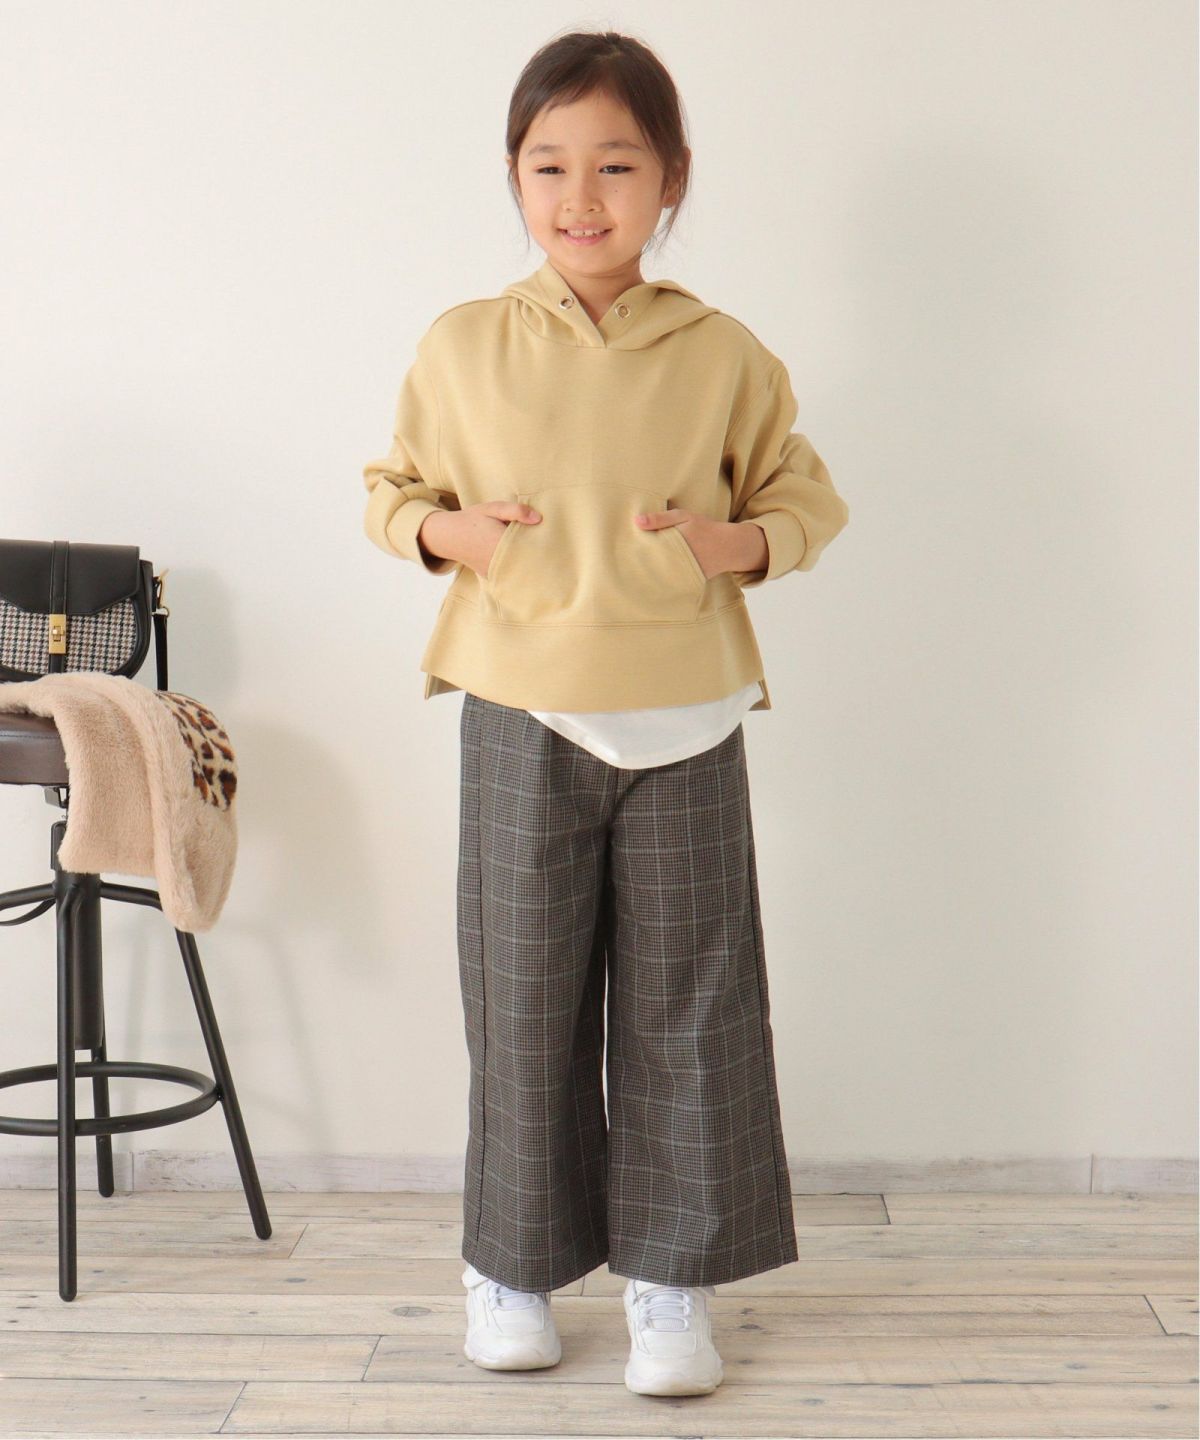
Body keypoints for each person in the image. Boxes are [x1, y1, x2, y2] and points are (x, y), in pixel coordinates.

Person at [361, 28, 849, 1398]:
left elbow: (804, 496)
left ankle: (670, 1284)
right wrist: (447, 532)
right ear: (514, 176)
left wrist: (735, 545)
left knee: (690, 1009)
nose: (582, 195)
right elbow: (390, 489)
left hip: (686, 714)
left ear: (672, 178)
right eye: (550, 164)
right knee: (522, 1005)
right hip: (521, 709)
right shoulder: (463, 344)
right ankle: (509, 1270)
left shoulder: (724, 353)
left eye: (617, 165)